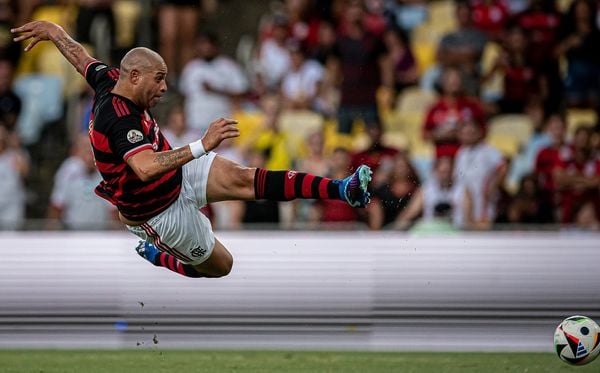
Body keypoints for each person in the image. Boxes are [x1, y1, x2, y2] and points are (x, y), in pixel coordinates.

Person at [12, 20, 372, 279]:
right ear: (134, 77)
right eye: (159, 78)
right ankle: (158, 256)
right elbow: (147, 167)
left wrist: (54, 32)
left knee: (245, 179)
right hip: (156, 212)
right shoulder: (117, 118)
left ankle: (343, 189)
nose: (165, 87)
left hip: (178, 175)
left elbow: (80, 58)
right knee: (220, 267)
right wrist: (203, 144)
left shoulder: (109, 79)